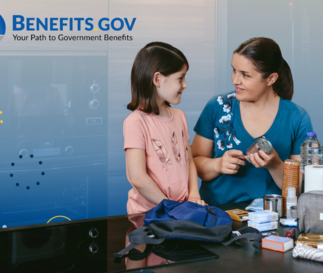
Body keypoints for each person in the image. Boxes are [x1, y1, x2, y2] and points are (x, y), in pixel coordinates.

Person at [192, 37, 313, 205]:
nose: (235, 80)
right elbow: (193, 164)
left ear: (271, 78)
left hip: (269, 218)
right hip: (217, 217)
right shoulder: (217, 107)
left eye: (245, 75)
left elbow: (299, 187)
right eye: (234, 70)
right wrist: (218, 164)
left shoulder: (297, 117)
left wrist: (275, 164)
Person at [123, 42, 205, 215]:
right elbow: (138, 177)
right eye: (180, 78)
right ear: (158, 79)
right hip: (147, 214)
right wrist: (169, 206)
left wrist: (194, 196)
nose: (185, 85)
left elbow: (189, 162)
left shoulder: (179, 116)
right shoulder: (135, 122)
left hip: (181, 210)